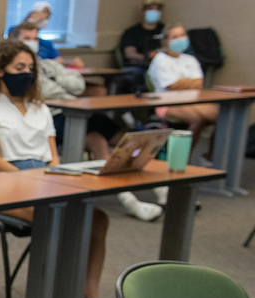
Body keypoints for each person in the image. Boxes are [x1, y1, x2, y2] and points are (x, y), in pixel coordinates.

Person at [0, 40, 115, 298]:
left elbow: (53, 157)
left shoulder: (39, 107)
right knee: (57, 219)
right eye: (19, 68)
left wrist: (58, 180)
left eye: (31, 69)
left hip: (42, 180)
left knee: (96, 218)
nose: (27, 74)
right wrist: (31, 181)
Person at [12, 23, 161, 221]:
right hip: (53, 117)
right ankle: (129, 200)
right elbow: (44, 92)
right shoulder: (17, 70)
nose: (32, 42)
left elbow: (79, 83)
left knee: (125, 138)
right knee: (98, 141)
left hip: (79, 113)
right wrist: (64, 86)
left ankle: (161, 189)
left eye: (35, 38)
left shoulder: (48, 64)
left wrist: (60, 82)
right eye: (26, 38)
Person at [149, 24, 216, 162]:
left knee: (222, 115)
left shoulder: (190, 59)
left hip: (192, 101)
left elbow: (198, 84)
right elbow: (171, 86)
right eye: (175, 37)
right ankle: (180, 160)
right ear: (166, 41)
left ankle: (210, 157)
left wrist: (181, 83)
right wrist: (187, 83)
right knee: (197, 120)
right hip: (165, 103)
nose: (180, 39)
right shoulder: (160, 59)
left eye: (182, 35)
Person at [15, 2, 84, 68]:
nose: (44, 19)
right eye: (41, 16)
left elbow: (57, 61)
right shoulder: (15, 34)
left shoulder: (46, 44)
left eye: (47, 17)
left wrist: (71, 62)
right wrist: (32, 20)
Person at [119, 0, 166, 92]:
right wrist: (147, 57)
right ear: (143, 11)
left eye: (157, 9)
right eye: (150, 9)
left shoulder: (164, 30)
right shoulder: (132, 32)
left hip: (163, 64)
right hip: (140, 66)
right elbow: (130, 54)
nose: (154, 12)